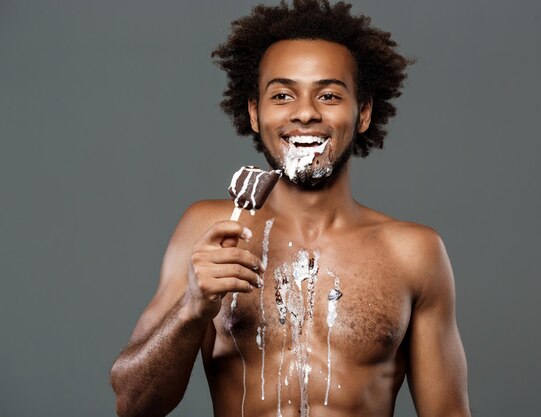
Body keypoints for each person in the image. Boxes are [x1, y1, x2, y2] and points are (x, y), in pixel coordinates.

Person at [110, 1, 471, 416]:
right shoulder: (208, 229)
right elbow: (132, 404)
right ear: (254, 111)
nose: (305, 112)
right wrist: (192, 308)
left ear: (364, 112)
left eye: (329, 94)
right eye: (282, 95)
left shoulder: (414, 252)